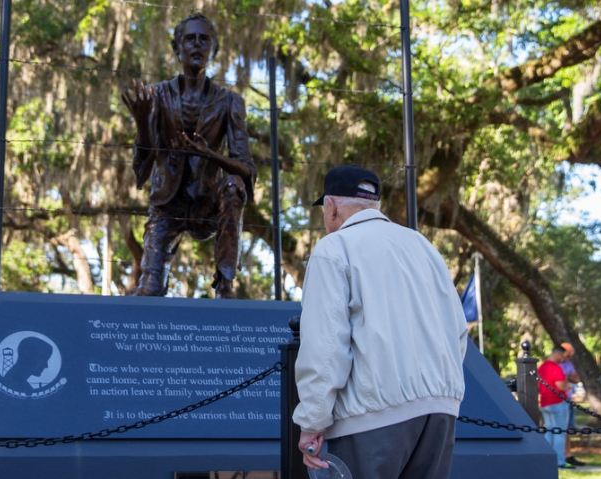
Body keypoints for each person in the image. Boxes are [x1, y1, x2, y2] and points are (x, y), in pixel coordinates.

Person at [293, 165, 468, 479]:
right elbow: (457, 331)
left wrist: (312, 423)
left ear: (330, 207)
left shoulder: (334, 249)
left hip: (372, 417)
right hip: (439, 411)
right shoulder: (424, 247)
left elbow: (326, 345)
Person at [121, 13, 256, 298]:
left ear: (213, 49)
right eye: (190, 39)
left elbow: (245, 169)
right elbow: (141, 167)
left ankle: (225, 285)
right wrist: (142, 123)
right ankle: (152, 276)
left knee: (234, 185)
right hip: (166, 206)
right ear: (177, 47)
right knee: (149, 292)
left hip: (206, 204)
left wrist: (210, 155)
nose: (197, 45)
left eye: (204, 39)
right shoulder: (155, 95)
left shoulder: (230, 102)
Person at [538, 344, 571, 469]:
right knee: (559, 433)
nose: (563, 360)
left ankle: (546, 459)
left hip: (545, 403)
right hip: (557, 402)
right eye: (562, 357)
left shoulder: (542, 367)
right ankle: (559, 461)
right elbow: (561, 385)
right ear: (557, 355)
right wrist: (568, 384)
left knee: (549, 432)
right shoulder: (555, 367)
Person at [559, 342, 584, 466]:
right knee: (558, 430)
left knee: (568, 429)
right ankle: (559, 456)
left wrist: (567, 378)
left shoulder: (568, 364)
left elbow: (575, 378)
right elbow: (559, 382)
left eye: (570, 356)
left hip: (568, 399)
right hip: (557, 400)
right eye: (567, 355)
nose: (568, 358)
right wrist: (567, 378)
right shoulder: (553, 364)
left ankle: (568, 455)